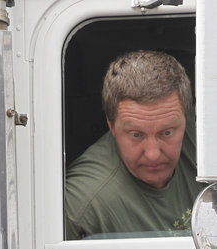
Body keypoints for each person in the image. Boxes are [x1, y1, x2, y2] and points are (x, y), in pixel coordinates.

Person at [65, 50, 203, 239]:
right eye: (136, 135)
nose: (153, 154)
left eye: (167, 132)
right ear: (111, 126)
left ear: (187, 120)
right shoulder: (84, 203)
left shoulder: (215, 136)